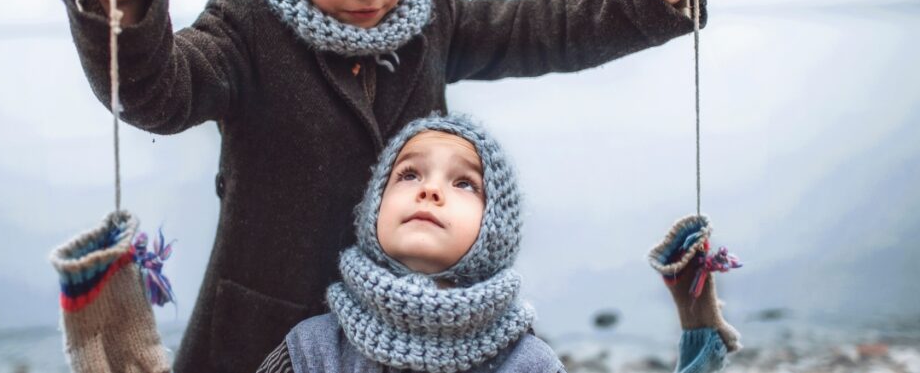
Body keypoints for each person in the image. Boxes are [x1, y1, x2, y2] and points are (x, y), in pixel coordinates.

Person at [60, 0, 706, 370]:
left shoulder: (431, 17)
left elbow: (540, 28)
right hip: (261, 336)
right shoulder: (247, 29)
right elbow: (160, 92)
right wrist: (128, 3)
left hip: (399, 333)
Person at [51, 114, 738, 373]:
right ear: (372, 209)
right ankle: (109, 323)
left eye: (464, 183)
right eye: (408, 174)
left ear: (494, 231)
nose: (431, 189)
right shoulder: (317, 346)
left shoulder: (523, 360)